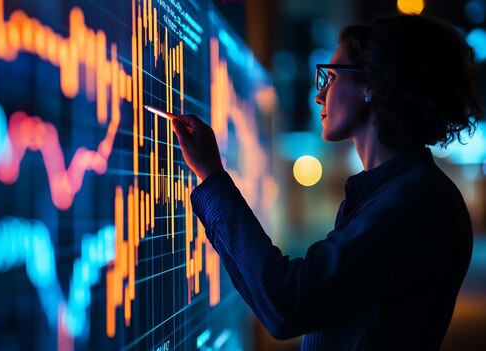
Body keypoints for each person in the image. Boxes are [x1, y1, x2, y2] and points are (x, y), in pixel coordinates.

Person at [171, 14, 483, 350]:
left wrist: (213, 178)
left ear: (372, 84)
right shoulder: (400, 193)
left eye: (331, 77)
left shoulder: (415, 203)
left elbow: (286, 302)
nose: (320, 96)